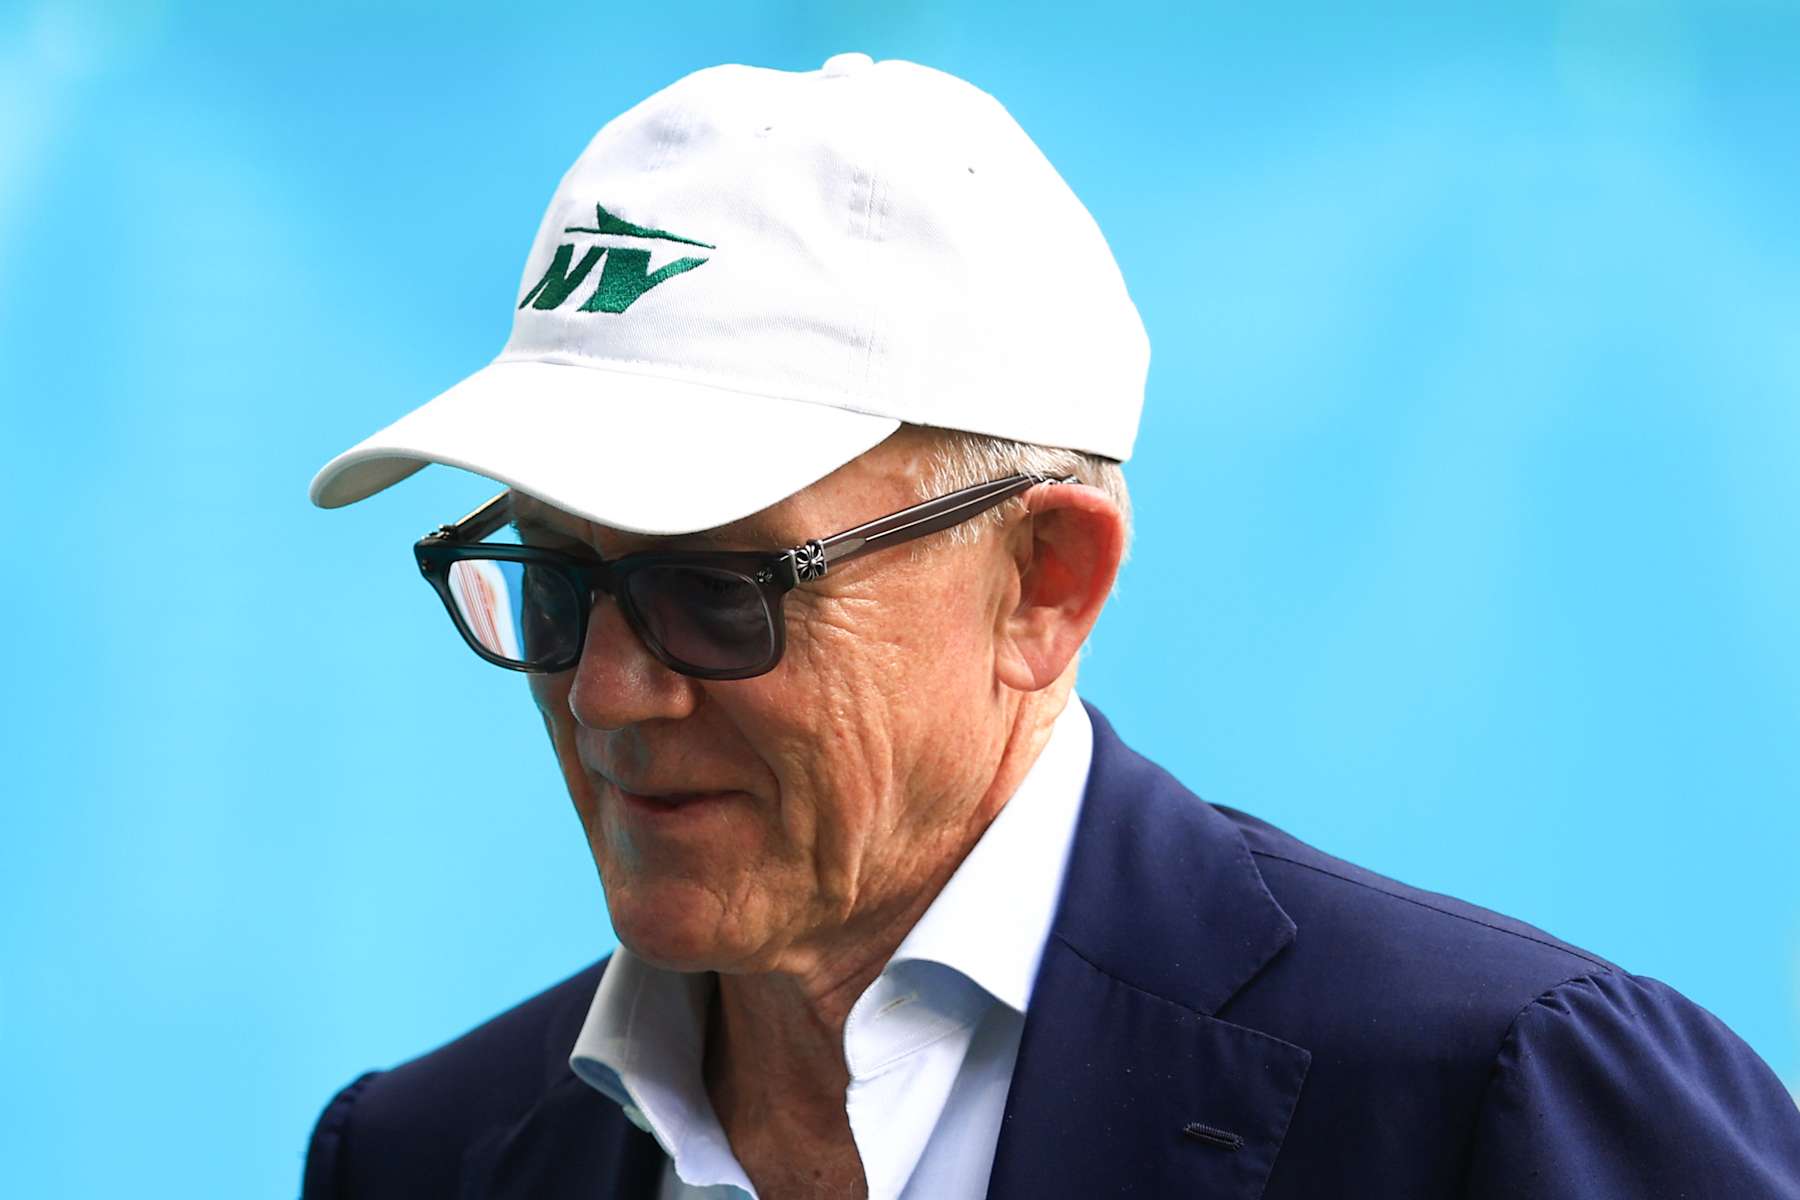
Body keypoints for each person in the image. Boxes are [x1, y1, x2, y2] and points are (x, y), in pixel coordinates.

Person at [301, 54, 1800, 1200]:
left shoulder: (1495, 1109)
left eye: (719, 589)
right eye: (552, 576)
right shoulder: (421, 1154)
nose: (609, 691)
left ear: (1046, 584)